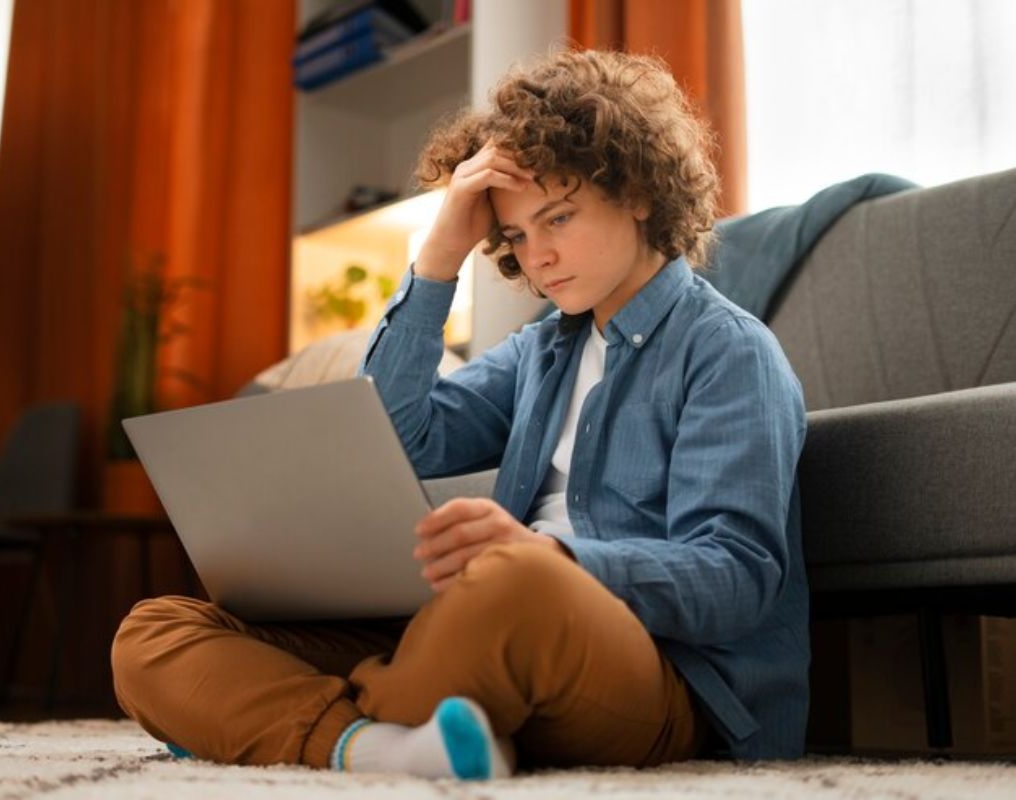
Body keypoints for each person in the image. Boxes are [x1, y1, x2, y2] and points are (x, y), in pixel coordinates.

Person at [111, 48, 809, 779]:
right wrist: (438, 256)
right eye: (514, 237)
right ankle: (387, 747)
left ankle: (275, 717)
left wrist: (555, 559)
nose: (537, 256)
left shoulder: (729, 353)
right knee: (153, 633)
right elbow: (397, 438)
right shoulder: (545, 350)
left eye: (558, 217)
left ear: (637, 193)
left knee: (514, 585)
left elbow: (736, 576)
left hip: (657, 679)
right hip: (478, 632)